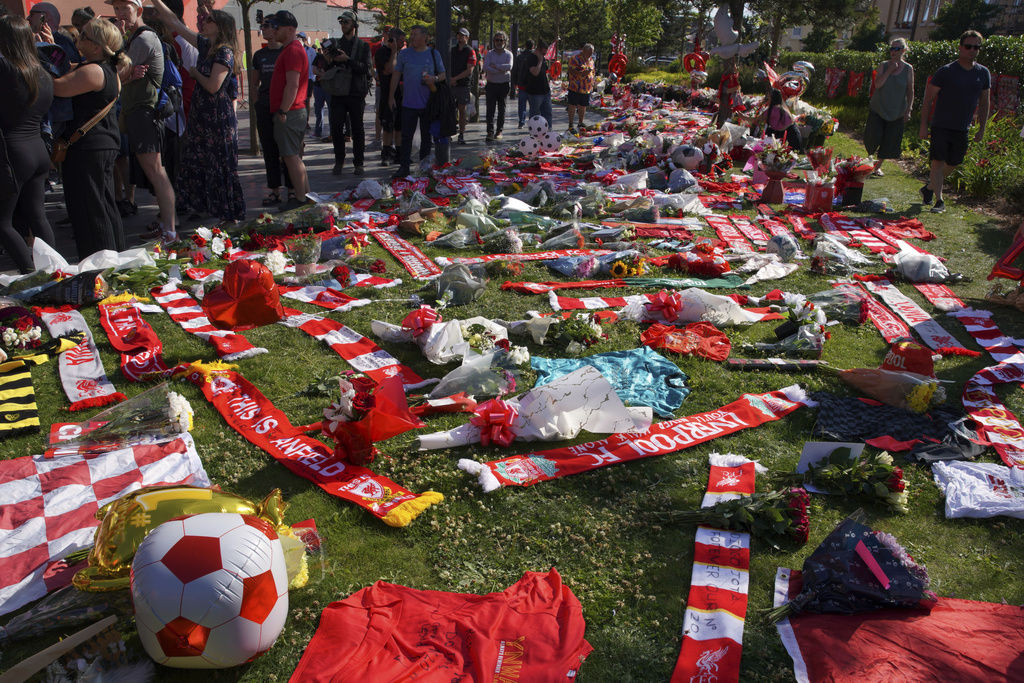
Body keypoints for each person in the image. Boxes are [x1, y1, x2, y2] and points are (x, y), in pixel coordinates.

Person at [150, 0, 244, 225]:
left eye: (210, 20)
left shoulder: (224, 52)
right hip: (202, 117)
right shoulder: (205, 45)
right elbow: (174, 22)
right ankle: (205, 207)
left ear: (220, 27)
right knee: (200, 162)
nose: (204, 22)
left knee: (219, 164)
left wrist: (195, 73)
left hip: (217, 119)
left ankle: (228, 215)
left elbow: (213, 86)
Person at [51, 17, 127, 258]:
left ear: (96, 47)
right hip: (99, 144)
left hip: (88, 147)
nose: (78, 38)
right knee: (103, 204)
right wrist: (51, 47)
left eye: (83, 35)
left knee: (90, 208)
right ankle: (114, 258)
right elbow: (69, 71)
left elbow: (57, 87)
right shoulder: (106, 68)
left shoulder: (94, 71)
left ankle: (100, 262)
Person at [110, 0, 176, 242]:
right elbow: (122, 73)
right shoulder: (135, 38)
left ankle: (170, 231)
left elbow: (114, 74)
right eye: (116, 8)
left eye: (124, 8)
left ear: (138, 10)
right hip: (138, 112)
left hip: (145, 113)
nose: (119, 13)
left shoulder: (143, 39)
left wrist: (124, 75)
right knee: (154, 171)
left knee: (156, 171)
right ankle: (166, 226)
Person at [0, 15, 56, 273]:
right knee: (38, 216)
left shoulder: (7, 70)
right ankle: (54, 271)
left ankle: (31, 274)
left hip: (13, 152)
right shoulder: (41, 73)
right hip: (37, 149)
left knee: (3, 223)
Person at [919, 29, 990, 214]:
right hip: (941, 125)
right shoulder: (946, 71)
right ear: (960, 47)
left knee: (954, 163)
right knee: (937, 162)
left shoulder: (983, 73)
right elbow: (928, 100)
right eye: (968, 46)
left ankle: (929, 188)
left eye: (976, 47)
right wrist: (923, 126)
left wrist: (982, 128)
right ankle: (939, 200)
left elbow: (984, 102)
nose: (972, 50)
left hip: (962, 127)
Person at [388, 25, 446, 178]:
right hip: (408, 103)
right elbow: (396, 74)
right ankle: (404, 167)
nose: (412, 37)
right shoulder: (404, 54)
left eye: (415, 34)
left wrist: (434, 78)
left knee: (426, 138)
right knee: (406, 137)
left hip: (428, 104)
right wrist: (391, 96)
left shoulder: (433, 53)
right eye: (411, 34)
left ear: (425, 37)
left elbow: (443, 75)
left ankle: (424, 167)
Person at [268, 10, 309, 207]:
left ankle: (301, 199)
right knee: (293, 157)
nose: (273, 30)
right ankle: (306, 196)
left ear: (290, 29)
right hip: (293, 110)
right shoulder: (291, 49)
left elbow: (292, 85)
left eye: (277, 26)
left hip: (290, 112)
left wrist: (283, 110)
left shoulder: (292, 50)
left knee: (291, 157)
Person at [324, 10, 370, 176]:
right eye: (341, 22)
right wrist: (328, 60)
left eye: (346, 22)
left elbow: (365, 68)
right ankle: (339, 161)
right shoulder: (335, 43)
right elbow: (328, 68)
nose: (343, 25)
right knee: (336, 128)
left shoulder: (363, 46)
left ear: (354, 25)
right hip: (338, 92)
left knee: (357, 129)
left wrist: (348, 60)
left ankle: (359, 163)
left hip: (356, 92)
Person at [252, 15, 291, 205]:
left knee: (287, 152)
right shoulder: (259, 55)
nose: (264, 29)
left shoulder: (286, 52)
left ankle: (292, 190)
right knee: (269, 151)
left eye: (267, 25)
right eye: (262, 26)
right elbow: (254, 83)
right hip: (265, 107)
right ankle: (275, 191)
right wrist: (257, 103)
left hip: (283, 109)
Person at [864, 37, 913, 177]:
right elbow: (878, 84)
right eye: (892, 48)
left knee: (889, 140)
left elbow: (910, 91)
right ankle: (869, 161)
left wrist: (909, 109)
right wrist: (890, 70)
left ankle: (877, 167)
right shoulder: (884, 65)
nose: (893, 51)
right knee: (872, 138)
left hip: (897, 111)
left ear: (903, 51)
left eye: (896, 49)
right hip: (878, 108)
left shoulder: (908, 69)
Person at [374, 26, 403, 165]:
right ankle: (386, 153)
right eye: (401, 40)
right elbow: (389, 69)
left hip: (400, 94)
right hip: (386, 93)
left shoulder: (402, 53)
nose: (403, 43)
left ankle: (399, 153)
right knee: (388, 125)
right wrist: (393, 51)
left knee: (399, 126)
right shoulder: (382, 52)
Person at [482, 30, 511, 143]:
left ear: (505, 41)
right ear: (494, 41)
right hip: (491, 84)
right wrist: (501, 69)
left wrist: (495, 66)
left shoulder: (509, 54)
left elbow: (509, 66)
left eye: (501, 40)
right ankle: (490, 132)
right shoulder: (489, 54)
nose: (499, 42)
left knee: (501, 109)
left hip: (504, 85)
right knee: (490, 109)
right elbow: (485, 67)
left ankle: (499, 131)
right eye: (497, 40)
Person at [450, 27, 476, 144]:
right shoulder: (452, 50)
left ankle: (461, 134)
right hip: (452, 84)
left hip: (463, 85)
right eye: (459, 35)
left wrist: (455, 79)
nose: (460, 37)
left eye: (463, 35)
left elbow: (469, 70)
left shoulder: (470, 51)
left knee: (462, 110)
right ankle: (450, 131)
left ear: (467, 38)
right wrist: (451, 79)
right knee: (450, 109)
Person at [566, 43, 594, 135]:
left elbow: (592, 71)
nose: (590, 54)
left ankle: (580, 123)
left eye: (592, 53)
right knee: (572, 105)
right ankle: (571, 125)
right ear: (584, 51)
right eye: (589, 52)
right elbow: (571, 70)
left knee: (583, 106)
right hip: (575, 87)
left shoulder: (590, 60)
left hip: (586, 88)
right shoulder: (575, 58)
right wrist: (582, 74)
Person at [523, 40, 551, 128]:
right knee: (535, 114)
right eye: (543, 53)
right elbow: (535, 72)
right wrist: (540, 61)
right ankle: (534, 131)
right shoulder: (530, 58)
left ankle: (548, 130)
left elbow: (545, 72)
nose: (544, 55)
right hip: (535, 92)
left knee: (547, 113)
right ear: (538, 50)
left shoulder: (543, 58)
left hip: (545, 91)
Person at [510, 39, 532, 129]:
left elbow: (514, 71)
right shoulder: (534, 57)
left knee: (522, 105)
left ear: (525, 46)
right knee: (533, 106)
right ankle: (532, 123)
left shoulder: (519, 57)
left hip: (522, 84)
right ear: (533, 46)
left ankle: (521, 122)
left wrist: (514, 83)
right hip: (532, 86)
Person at [716, 58, 739, 127]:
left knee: (727, 111)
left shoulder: (732, 76)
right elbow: (725, 88)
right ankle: (721, 124)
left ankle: (724, 124)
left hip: (728, 97)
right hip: (725, 97)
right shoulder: (728, 76)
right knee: (724, 111)